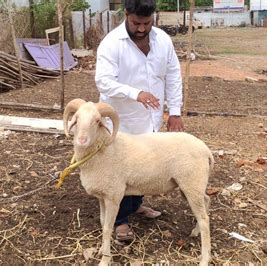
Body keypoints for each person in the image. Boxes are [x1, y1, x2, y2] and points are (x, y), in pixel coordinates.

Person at [94, 0, 184, 243]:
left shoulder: (163, 40)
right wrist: (136, 93)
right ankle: (120, 221)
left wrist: (174, 112)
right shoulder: (112, 44)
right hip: (123, 121)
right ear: (126, 15)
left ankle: (136, 206)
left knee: (143, 164)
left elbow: (173, 74)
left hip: (151, 119)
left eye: (147, 23)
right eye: (136, 23)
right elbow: (103, 82)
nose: (142, 29)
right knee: (120, 170)